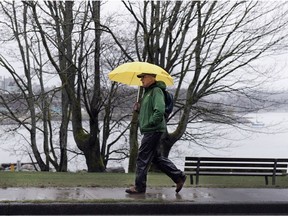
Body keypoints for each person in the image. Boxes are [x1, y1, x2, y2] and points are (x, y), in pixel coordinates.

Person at [125, 73, 186, 194]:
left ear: (152, 77)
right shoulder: (148, 93)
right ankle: (178, 176)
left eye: (143, 77)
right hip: (152, 130)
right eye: (140, 78)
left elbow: (160, 110)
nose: (141, 80)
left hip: (153, 130)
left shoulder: (156, 91)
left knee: (142, 158)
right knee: (156, 158)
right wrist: (139, 109)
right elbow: (150, 110)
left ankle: (139, 187)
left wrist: (151, 124)